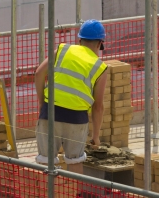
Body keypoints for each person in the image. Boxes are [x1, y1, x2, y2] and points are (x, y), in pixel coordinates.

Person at [34, 19, 108, 176]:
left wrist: (42, 102)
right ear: (100, 43)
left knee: (45, 161)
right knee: (75, 161)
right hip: (77, 118)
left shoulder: (62, 50)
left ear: (79, 40)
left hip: (50, 112)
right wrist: (95, 136)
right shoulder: (100, 67)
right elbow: (98, 107)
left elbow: (39, 73)